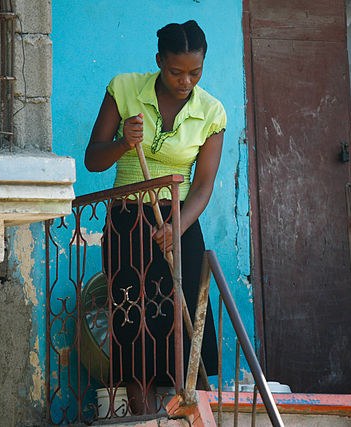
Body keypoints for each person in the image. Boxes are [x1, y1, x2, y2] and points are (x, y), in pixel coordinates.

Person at [84, 20, 226, 415]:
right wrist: (122, 144)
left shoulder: (211, 111)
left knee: (187, 325)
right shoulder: (124, 89)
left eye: (195, 73)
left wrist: (175, 226)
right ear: (159, 61)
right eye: (176, 71)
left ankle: (197, 414)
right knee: (134, 329)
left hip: (180, 225)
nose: (185, 81)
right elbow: (93, 161)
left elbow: (203, 187)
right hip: (128, 223)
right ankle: (144, 419)